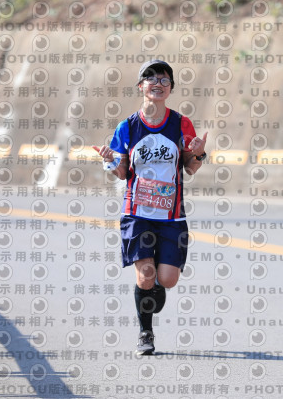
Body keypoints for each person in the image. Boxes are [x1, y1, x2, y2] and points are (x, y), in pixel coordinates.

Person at [93, 60, 207, 355]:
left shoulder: (181, 124)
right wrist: (110, 159)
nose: (158, 83)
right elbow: (122, 172)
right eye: (151, 78)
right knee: (144, 275)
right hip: (137, 213)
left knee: (167, 279)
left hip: (172, 216)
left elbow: (190, 167)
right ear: (141, 86)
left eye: (165, 79)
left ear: (171, 88)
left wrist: (198, 153)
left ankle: (156, 284)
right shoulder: (127, 127)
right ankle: (146, 333)